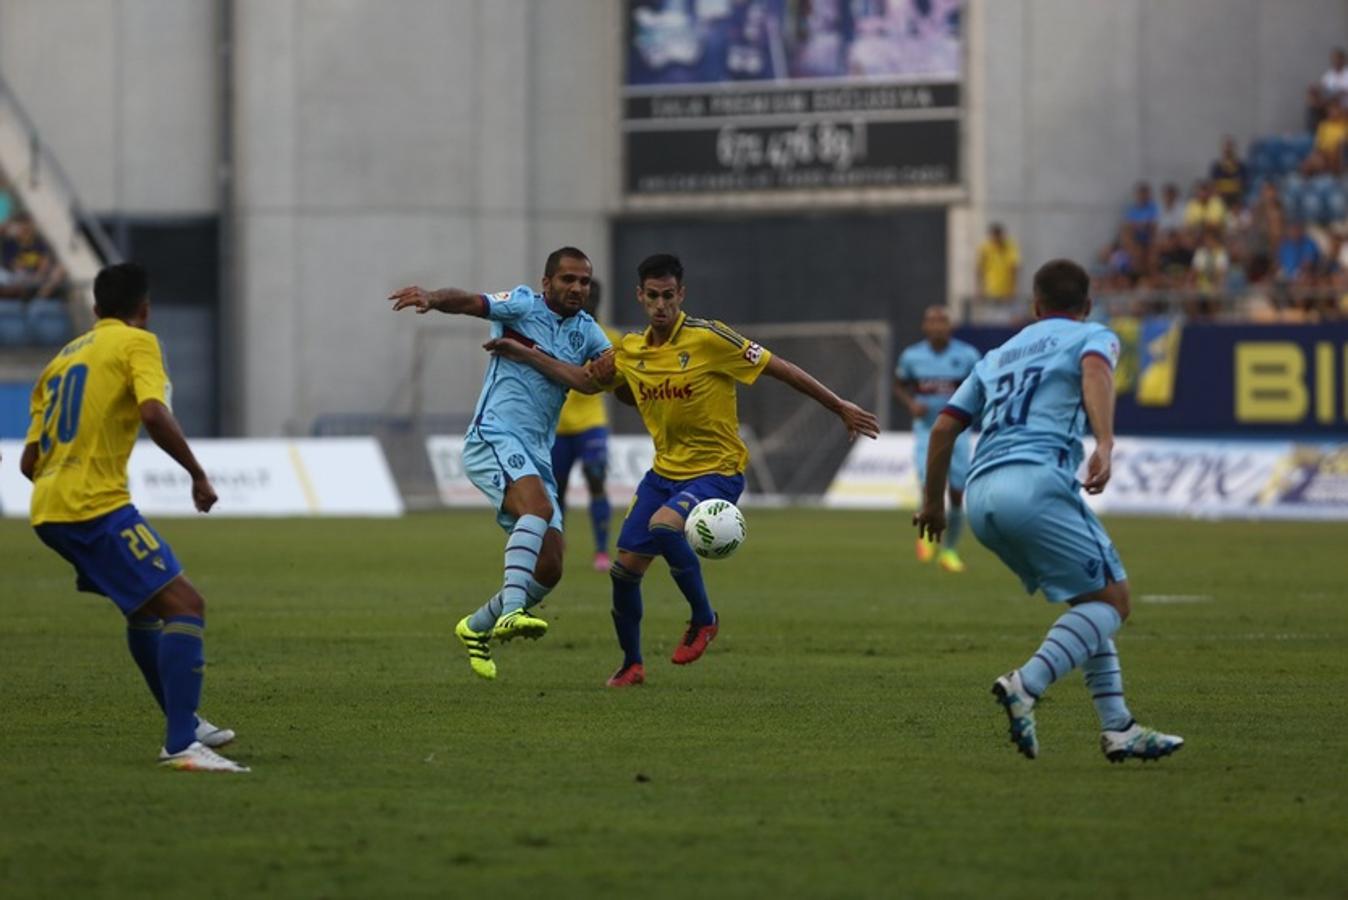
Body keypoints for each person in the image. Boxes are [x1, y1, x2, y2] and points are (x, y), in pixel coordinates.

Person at [491, 253, 879, 688]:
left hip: (718, 470)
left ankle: (703, 618)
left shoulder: (710, 338)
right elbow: (582, 380)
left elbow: (780, 369)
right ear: (640, 296)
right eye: (653, 296)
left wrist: (838, 405)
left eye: (669, 296)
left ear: (682, 295)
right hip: (664, 475)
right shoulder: (631, 350)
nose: (661, 305)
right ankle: (632, 664)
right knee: (623, 573)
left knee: (663, 526)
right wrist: (526, 355)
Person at [914, 258, 1183, 764]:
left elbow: (944, 428)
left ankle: (1118, 727)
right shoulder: (1092, 335)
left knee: (1088, 602)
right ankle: (1027, 683)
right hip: (1035, 485)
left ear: (1035, 306)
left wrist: (933, 502)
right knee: (1115, 602)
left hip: (982, 494)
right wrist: (1104, 442)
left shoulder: (995, 356)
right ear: (1087, 306)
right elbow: (1097, 372)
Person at [19, 262, 246, 773]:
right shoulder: (137, 343)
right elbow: (151, 411)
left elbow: (28, 462)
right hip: (93, 504)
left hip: (48, 508)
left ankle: (184, 718)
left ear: (96, 310)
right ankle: (181, 744)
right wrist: (197, 474)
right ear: (143, 310)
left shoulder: (60, 360)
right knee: (186, 604)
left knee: (144, 609)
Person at [389, 247, 612, 681]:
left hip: (536, 451)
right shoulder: (524, 304)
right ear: (548, 283)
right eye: (568, 279)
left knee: (550, 566)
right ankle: (511, 611)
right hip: (493, 435)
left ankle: (476, 627)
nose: (577, 288)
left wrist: (539, 358)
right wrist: (434, 298)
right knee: (539, 510)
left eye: (584, 281)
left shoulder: (588, 332)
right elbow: (473, 302)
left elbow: (592, 381)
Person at [893, 305, 981, 572]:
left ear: (950, 326)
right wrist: (910, 404)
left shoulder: (967, 355)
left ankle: (949, 551)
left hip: (958, 433)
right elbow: (899, 384)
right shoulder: (912, 356)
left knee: (956, 492)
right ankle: (925, 535)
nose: (937, 326)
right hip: (926, 431)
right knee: (928, 486)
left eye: (942, 321)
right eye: (932, 321)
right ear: (924, 326)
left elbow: (981, 387)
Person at [551, 280, 621, 572]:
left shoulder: (611, 338)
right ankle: (556, 544)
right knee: (557, 489)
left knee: (595, 479)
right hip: (557, 426)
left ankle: (602, 550)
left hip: (592, 424)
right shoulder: (556, 333)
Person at [975, 223, 1020, 318]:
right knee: (989, 319)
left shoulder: (1010, 247)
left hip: (1006, 291)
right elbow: (979, 270)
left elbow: (1014, 269)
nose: (996, 239)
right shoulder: (985, 248)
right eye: (993, 237)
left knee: (1006, 319)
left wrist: (1013, 290)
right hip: (989, 291)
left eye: (998, 236)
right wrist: (979, 289)